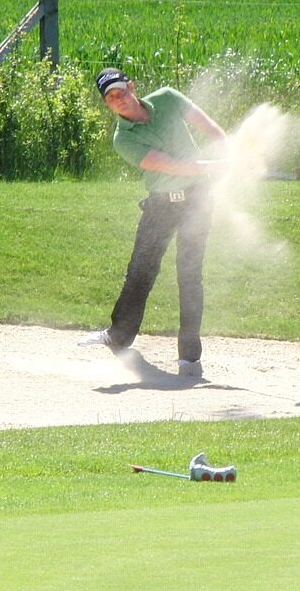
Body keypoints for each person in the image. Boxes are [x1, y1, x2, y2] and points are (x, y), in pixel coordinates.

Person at [79, 68, 229, 377]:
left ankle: (190, 358)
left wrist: (229, 151)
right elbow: (172, 166)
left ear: (132, 87)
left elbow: (211, 128)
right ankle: (118, 336)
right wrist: (216, 166)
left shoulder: (168, 98)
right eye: (110, 97)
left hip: (197, 201)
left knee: (189, 276)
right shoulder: (123, 139)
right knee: (140, 273)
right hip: (160, 206)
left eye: (120, 91)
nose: (117, 99)